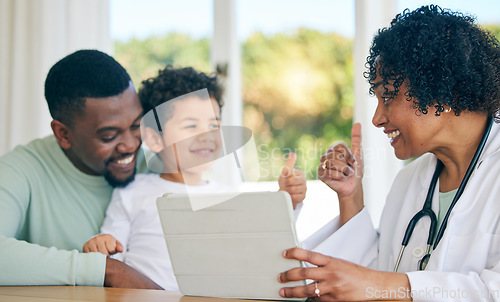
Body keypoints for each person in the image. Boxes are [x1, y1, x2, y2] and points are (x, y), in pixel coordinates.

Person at [277, 5, 500, 301]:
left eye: (388, 96)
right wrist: (350, 196)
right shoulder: (410, 180)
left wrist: (382, 285)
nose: (377, 118)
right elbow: (380, 275)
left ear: (441, 92)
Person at [82, 66, 307, 290]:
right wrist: (101, 245)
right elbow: (112, 250)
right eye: (191, 125)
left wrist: (288, 200)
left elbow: (262, 244)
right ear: (154, 138)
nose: (206, 135)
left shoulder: (229, 196)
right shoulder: (131, 192)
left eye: (214, 124)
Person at [0, 49, 161, 289]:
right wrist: (105, 270)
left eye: (137, 125)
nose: (131, 144)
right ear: (63, 134)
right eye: (109, 136)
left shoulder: (155, 168)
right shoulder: (22, 169)